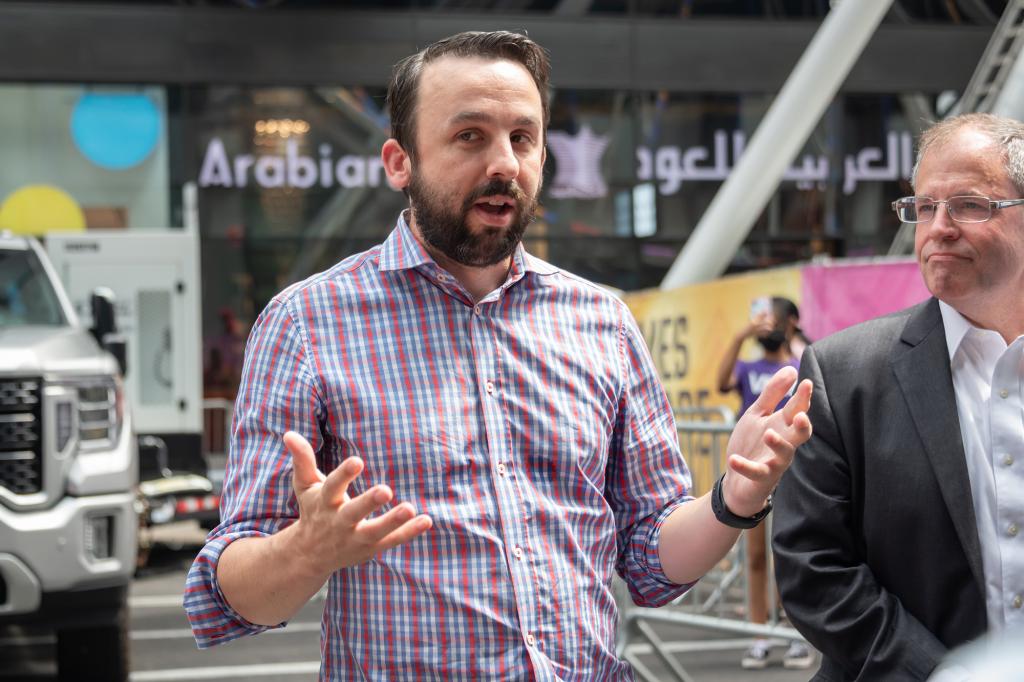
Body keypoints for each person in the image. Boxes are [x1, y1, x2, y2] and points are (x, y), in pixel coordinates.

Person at [184, 30, 813, 680]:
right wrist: (305, 552)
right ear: (400, 162)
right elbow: (229, 597)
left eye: (523, 137)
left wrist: (735, 497)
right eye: (470, 136)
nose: (505, 163)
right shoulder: (306, 324)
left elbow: (652, 561)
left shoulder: (601, 322)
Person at [772, 112, 1024, 681]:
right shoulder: (843, 374)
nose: (939, 227)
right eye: (924, 207)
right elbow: (814, 569)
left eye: (968, 204)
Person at [716, 296, 813, 670]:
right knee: (756, 556)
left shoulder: (802, 366)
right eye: (761, 319)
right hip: (751, 475)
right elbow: (721, 381)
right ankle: (760, 635)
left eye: (774, 319)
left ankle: (794, 634)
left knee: (790, 555)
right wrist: (741, 335)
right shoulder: (748, 367)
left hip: (795, 472)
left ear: (791, 322)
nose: (766, 326)